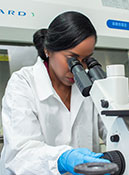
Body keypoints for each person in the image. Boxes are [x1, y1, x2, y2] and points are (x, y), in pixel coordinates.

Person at [0, 11, 110, 175]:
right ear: (47, 51)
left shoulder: (91, 87)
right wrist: (62, 159)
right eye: (72, 59)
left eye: (86, 60)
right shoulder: (23, 84)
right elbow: (20, 154)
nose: (78, 69)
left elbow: (114, 128)